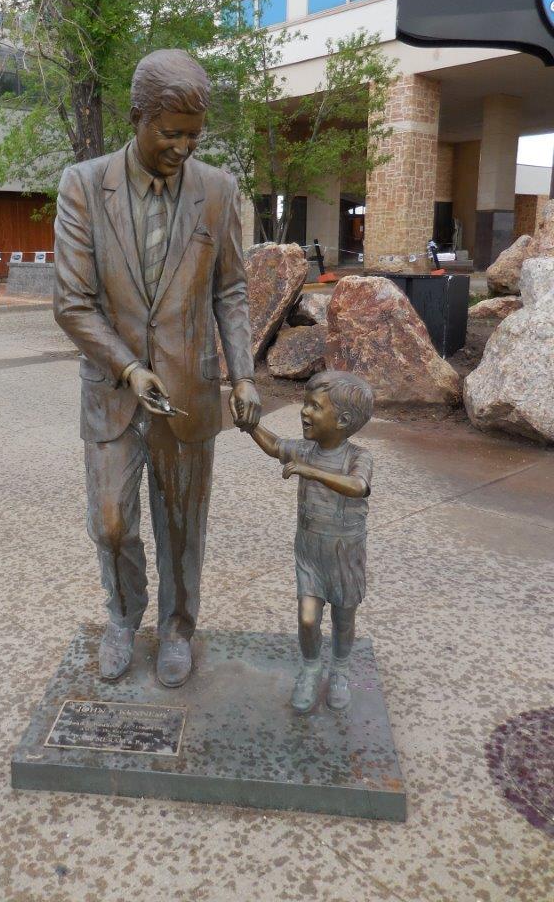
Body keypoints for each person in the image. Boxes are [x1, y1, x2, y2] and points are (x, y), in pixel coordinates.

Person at [53, 49, 261, 688]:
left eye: (194, 135)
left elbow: (230, 291)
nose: (183, 147)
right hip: (112, 394)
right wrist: (125, 368)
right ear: (137, 117)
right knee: (111, 520)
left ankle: (177, 627)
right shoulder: (84, 185)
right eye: (170, 133)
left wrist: (244, 375)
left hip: (188, 388)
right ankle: (123, 617)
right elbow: (72, 304)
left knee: (181, 522)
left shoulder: (218, 190)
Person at [247, 371, 374, 712]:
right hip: (310, 551)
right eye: (305, 404)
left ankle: (341, 670)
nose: (304, 412)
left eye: (314, 407)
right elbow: (275, 446)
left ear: (343, 420)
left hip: (345, 553)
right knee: (307, 618)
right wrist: (250, 426)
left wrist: (309, 471)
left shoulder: (357, 457)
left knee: (344, 619)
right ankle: (310, 667)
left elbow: (358, 486)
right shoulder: (304, 449)